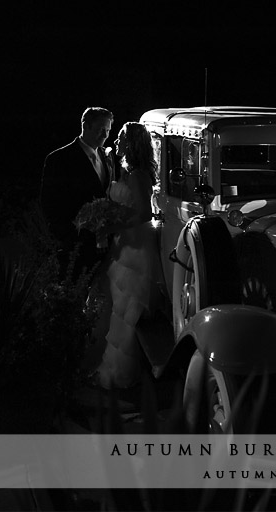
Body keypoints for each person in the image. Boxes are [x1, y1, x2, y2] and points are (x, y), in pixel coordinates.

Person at [94, 122, 171, 389]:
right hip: (125, 243)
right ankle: (118, 370)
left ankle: (126, 376)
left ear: (131, 144)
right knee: (120, 308)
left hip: (136, 247)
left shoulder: (139, 176)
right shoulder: (128, 171)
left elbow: (143, 214)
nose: (116, 143)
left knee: (129, 309)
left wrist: (113, 225)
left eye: (121, 139)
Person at [40, 107, 115, 281]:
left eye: (108, 130)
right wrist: (70, 239)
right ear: (85, 126)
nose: (105, 135)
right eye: (100, 130)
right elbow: (50, 205)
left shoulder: (106, 156)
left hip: (107, 244)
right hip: (76, 245)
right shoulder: (59, 159)